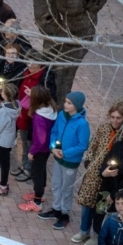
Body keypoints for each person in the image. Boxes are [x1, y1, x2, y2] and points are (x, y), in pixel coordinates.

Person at [70, 102, 123, 245]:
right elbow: (93, 145)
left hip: (111, 175)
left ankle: (96, 234)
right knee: (87, 203)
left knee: (102, 206)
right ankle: (83, 230)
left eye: (118, 118)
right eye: (112, 117)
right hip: (94, 172)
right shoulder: (103, 128)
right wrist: (89, 160)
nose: (115, 120)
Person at [40, 90, 90, 229]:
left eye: (69, 103)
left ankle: (65, 213)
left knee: (66, 188)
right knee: (56, 183)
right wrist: (52, 147)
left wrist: (65, 153)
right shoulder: (62, 115)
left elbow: (83, 145)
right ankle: (56, 208)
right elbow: (54, 131)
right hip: (58, 157)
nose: (65, 105)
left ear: (77, 105)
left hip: (70, 161)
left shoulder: (82, 124)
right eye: (66, 102)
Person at [12, 55, 58, 182]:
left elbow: (47, 96)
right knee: (24, 142)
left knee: (30, 142)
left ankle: (29, 169)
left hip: (32, 115)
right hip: (23, 113)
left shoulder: (46, 78)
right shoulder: (25, 73)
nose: (30, 66)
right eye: (29, 63)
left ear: (41, 65)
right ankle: (24, 165)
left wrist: (32, 94)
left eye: (34, 63)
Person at [19, 86, 57, 213]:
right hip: (46, 148)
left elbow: (40, 139)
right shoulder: (50, 108)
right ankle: (39, 194)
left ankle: (37, 201)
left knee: (37, 173)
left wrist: (32, 152)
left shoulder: (40, 117)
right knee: (41, 170)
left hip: (40, 149)